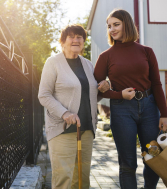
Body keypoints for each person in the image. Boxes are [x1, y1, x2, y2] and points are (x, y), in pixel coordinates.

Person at [94, 9, 167, 189]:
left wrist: (164, 114)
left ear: (126, 24)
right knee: (128, 164)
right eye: (109, 26)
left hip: (150, 109)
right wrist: (117, 94)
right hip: (122, 111)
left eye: (116, 24)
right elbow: (96, 89)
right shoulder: (105, 57)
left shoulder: (147, 52)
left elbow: (157, 85)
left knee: (153, 159)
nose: (111, 29)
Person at [38, 24, 109, 189]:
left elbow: (89, 96)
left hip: (86, 130)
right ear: (63, 41)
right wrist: (64, 113)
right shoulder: (53, 62)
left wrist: (103, 88)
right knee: (64, 179)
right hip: (62, 130)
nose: (76, 40)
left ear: (84, 42)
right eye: (71, 36)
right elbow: (44, 95)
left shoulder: (88, 65)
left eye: (80, 37)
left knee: (82, 180)